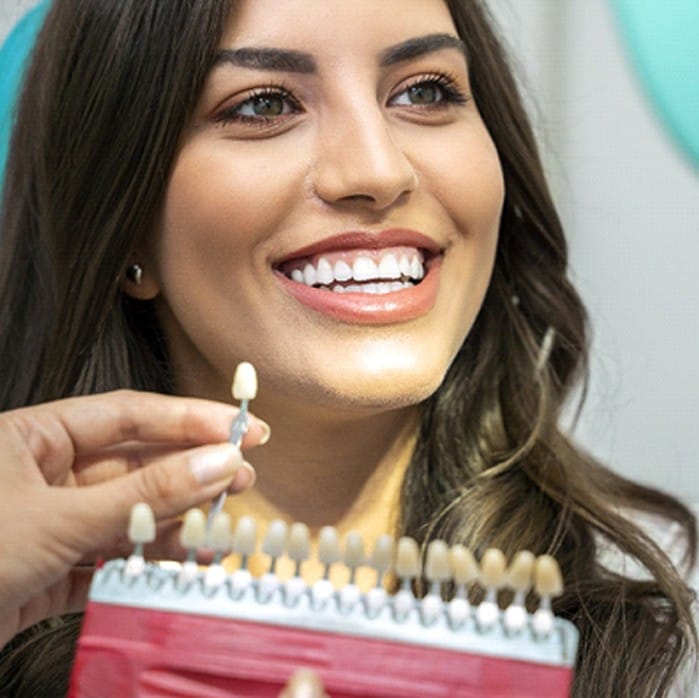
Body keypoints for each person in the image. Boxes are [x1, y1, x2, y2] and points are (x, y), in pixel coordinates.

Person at [0, 0, 695, 696]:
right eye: (263, 105)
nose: (376, 170)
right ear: (122, 224)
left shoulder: (666, 620)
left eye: (424, 92)